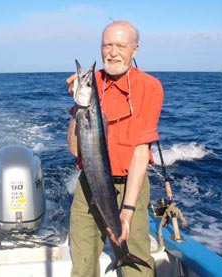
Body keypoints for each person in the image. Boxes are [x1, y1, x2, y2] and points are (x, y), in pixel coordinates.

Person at [66, 20, 164, 277]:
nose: (112, 52)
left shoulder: (149, 87)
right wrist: (77, 107)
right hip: (90, 184)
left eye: (121, 45)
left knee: (137, 269)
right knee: (82, 264)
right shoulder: (90, 84)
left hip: (130, 185)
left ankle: (126, 256)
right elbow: (75, 150)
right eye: (107, 45)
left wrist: (128, 211)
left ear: (135, 49)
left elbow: (141, 153)